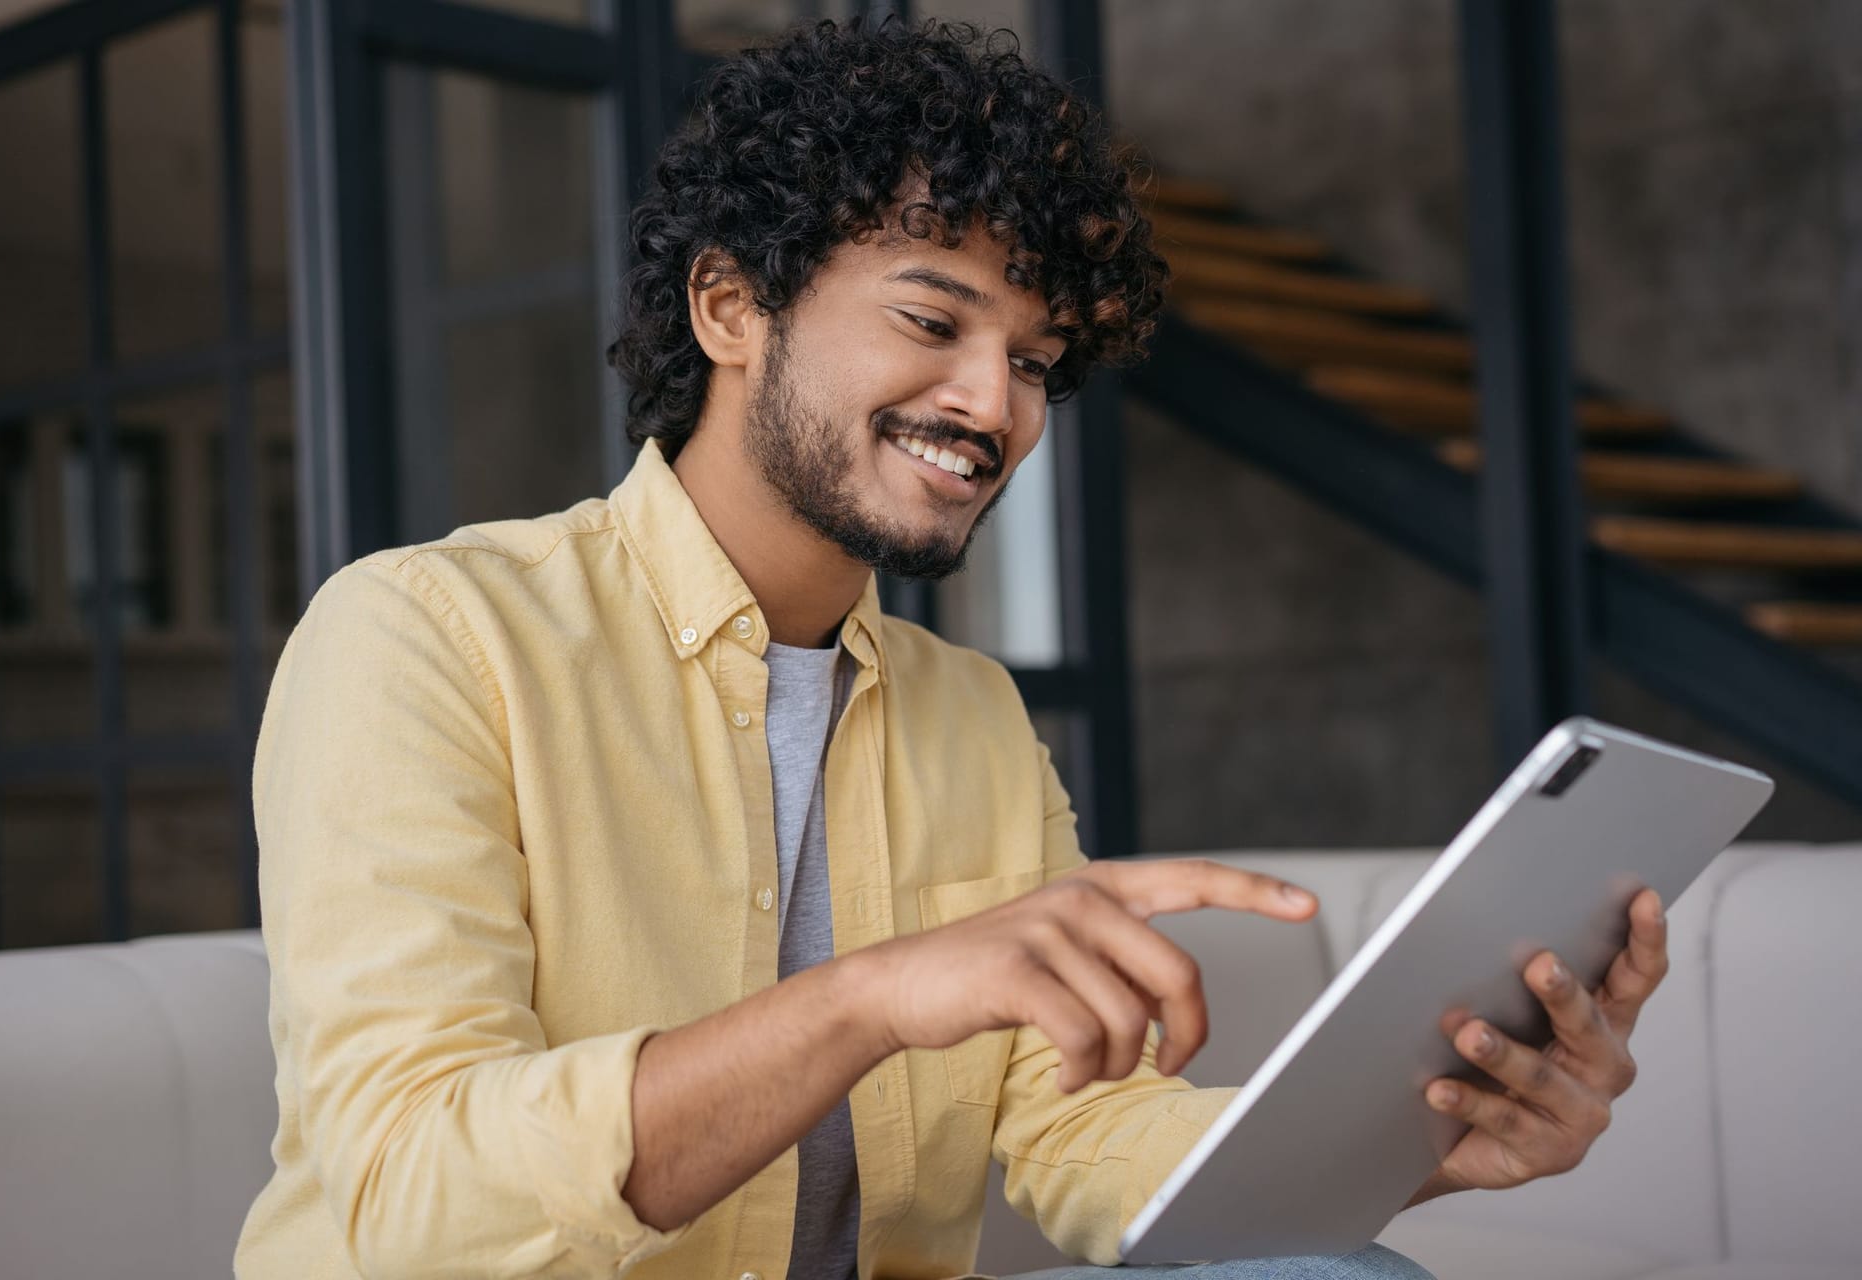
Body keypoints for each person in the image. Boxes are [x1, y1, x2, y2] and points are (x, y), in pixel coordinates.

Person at [234, 17, 1664, 1280]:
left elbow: (1076, 1126)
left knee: (1337, 1279)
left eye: (1038, 361)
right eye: (933, 318)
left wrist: (1430, 1133)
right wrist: (861, 1002)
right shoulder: (428, 636)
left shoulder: (967, 715)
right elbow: (406, 1196)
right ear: (730, 307)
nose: (993, 403)